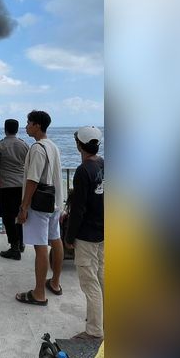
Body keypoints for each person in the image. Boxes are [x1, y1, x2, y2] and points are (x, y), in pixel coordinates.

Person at [15, 110, 65, 306]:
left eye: (28, 123)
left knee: (41, 246)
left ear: (36, 125)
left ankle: (38, 293)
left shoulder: (36, 148)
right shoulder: (53, 146)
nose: (26, 126)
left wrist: (24, 207)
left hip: (39, 205)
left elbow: (33, 180)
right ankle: (55, 283)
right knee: (56, 239)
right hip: (54, 202)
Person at [65, 127, 105, 340]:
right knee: (101, 275)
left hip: (87, 234)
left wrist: (69, 237)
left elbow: (78, 209)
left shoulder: (83, 171)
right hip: (103, 231)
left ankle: (94, 330)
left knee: (90, 282)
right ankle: (103, 319)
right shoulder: (104, 164)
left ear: (79, 144)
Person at [0, 118, 29, 259]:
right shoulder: (24, 145)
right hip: (21, 186)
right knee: (19, 215)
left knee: (8, 218)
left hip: (6, 185)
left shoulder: (0, 145)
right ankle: (21, 243)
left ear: (5, 129)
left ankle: (14, 247)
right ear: (17, 128)